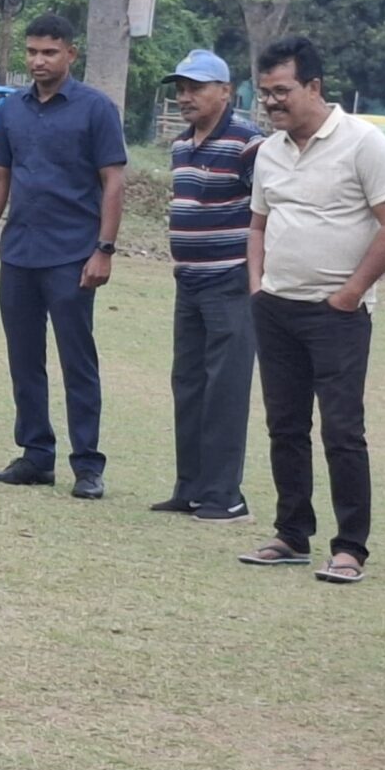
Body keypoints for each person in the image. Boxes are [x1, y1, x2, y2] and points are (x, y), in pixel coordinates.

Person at [235, 36, 385, 584]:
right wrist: (257, 283)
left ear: (314, 86)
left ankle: (350, 547)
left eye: (282, 91)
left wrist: (350, 293)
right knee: (285, 426)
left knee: (341, 430)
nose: (272, 102)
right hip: (276, 306)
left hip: (337, 313)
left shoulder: (363, 143)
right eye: (265, 93)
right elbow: (259, 223)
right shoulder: (269, 151)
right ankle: (291, 534)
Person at [0, 15, 127, 498]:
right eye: (33, 51)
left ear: (70, 55)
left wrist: (103, 250)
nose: (39, 60)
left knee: (77, 360)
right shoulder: (13, 110)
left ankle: (87, 465)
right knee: (25, 358)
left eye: (50, 52)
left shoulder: (95, 109)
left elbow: (114, 182)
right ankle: (36, 455)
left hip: (72, 255)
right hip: (20, 252)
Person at [149, 49, 261, 522]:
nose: (186, 96)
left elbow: (268, 212)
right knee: (189, 382)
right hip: (189, 281)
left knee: (225, 387)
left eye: (196, 87)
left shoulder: (248, 142)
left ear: (226, 92)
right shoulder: (180, 144)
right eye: (181, 88)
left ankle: (224, 496)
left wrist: (257, 278)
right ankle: (189, 487)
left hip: (231, 281)